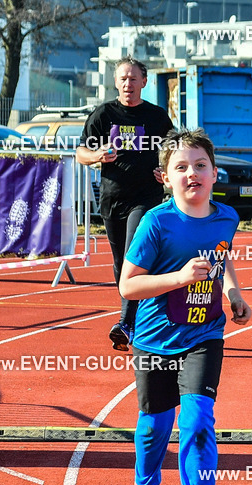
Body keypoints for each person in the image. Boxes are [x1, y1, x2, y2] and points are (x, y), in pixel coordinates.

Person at [119, 129, 252, 485]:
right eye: (181, 167)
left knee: (197, 422)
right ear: (164, 177)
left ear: (215, 173)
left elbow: (221, 254)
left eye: (200, 166)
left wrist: (233, 293)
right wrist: (178, 278)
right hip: (156, 340)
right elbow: (128, 286)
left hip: (205, 334)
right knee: (155, 429)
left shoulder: (226, 217)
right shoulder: (155, 223)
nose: (191, 174)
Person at [77, 56, 174, 352]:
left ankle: (125, 323)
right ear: (115, 82)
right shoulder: (104, 114)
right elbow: (80, 152)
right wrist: (97, 156)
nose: (127, 84)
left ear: (144, 82)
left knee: (135, 249)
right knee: (121, 264)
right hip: (112, 197)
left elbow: (175, 151)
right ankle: (139, 316)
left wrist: (166, 172)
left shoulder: (157, 117)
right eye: (122, 78)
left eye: (133, 79)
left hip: (145, 198)